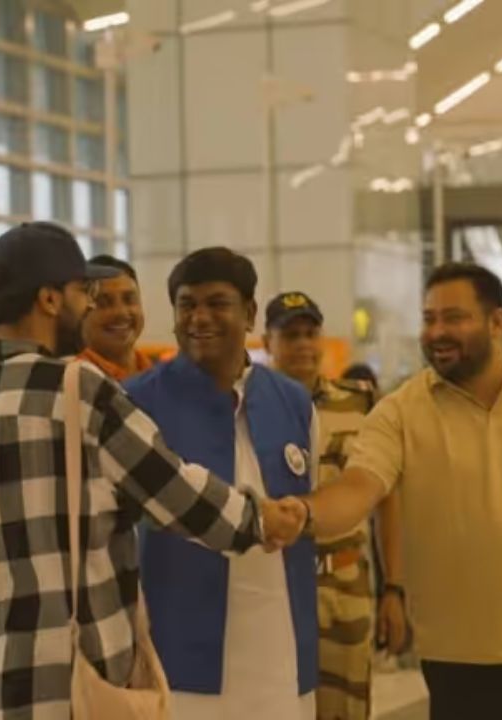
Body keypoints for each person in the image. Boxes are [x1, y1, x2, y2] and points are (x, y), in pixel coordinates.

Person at [293, 262, 502, 719]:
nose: (437, 331)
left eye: (453, 317)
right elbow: (358, 488)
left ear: (497, 323)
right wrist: (302, 513)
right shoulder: (399, 412)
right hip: (462, 673)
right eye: (429, 318)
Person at [0, 223, 305, 719]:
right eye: (83, 293)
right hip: (75, 680)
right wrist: (262, 520)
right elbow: (173, 492)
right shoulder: (76, 388)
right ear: (50, 300)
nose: (90, 307)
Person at [124, 248, 320, 719]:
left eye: (217, 303)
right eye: (187, 304)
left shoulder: (292, 401)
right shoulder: (134, 402)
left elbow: (307, 507)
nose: (199, 317)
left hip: (281, 652)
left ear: (250, 313)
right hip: (176, 654)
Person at [262, 291, 408, 720]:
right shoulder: (247, 409)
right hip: (276, 584)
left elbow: (386, 502)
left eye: (311, 333)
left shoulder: (357, 403)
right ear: (268, 341)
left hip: (345, 586)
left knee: (345, 709)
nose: (304, 344)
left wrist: (393, 589)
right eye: (290, 335)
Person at [77, 254, 155, 380]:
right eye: (103, 303)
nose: (121, 313)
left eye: (129, 299)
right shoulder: (73, 381)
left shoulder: (157, 375)